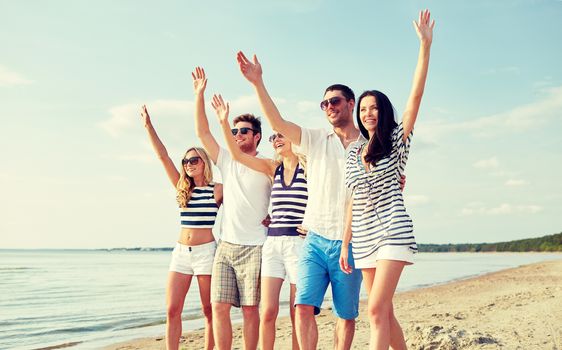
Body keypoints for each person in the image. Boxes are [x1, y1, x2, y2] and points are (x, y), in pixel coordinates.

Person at [236, 52, 364, 350]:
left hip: (353, 241)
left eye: (335, 101)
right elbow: (277, 121)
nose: (329, 107)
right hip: (314, 240)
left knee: (345, 315)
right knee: (302, 307)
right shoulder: (316, 139)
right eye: (325, 103)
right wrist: (258, 83)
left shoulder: (368, 146)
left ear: (350, 103)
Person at [341, 9, 435, 350]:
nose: (368, 113)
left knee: (376, 310)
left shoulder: (396, 140)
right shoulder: (353, 152)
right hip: (364, 236)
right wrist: (344, 242)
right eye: (363, 108)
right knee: (385, 311)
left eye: (374, 107)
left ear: (383, 111)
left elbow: (416, 97)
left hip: (393, 229)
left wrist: (424, 46)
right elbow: (351, 199)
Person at [210, 93, 307, 350]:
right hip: (272, 242)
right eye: (274, 136)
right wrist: (222, 122)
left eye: (280, 135)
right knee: (268, 312)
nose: (276, 139)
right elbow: (238, 157)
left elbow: (328, 189)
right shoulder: (271, 167)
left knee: (300, 308)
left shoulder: (309, 167)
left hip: (296, 242)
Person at [191, 67, 271, 350]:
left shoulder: (267, 164)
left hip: (256, 246)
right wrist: (199, 95)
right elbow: (202, 132)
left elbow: (290, 191)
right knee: (219, 307)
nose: (237, 134)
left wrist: (276, 215)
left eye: (244, 131)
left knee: (250, 312)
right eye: (234, 131)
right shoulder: (226, 159)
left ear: (257, 136)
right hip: (226, 246)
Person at [141, 105, 222, 350]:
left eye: (194, 159)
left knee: (209, 310)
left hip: (206, 253)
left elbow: (244, 200)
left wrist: (267, 216)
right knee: (172, 309)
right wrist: (148, 126)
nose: (188, 164)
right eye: (186, 161)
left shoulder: (216, 189)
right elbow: (162, 156)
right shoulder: (182, 187)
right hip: (180, 254)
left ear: (204, 162)